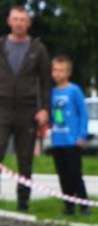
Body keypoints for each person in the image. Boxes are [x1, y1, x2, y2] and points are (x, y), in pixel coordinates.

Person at [0, 5, 50, 212]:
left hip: (27, 111)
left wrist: (44, 108)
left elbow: (46, 82)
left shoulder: (38, 49)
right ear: (9, 22)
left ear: (28, 23)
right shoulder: (1, 45)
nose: (19, 23)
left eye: (23, 19)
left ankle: (23, 203)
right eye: (16, 19)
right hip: (2, 109)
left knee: (25, 160)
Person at [49, 54, 89, 216]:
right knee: (63, 175)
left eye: (61, 71)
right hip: (57, 140)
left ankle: (84, 204)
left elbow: (83, 114)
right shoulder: (51, 92)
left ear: (68, 73)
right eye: (55, 70)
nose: (57, 74)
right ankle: (68, 206)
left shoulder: (74, 91)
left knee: (75, 174)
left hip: (72, 141)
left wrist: (82, 135)